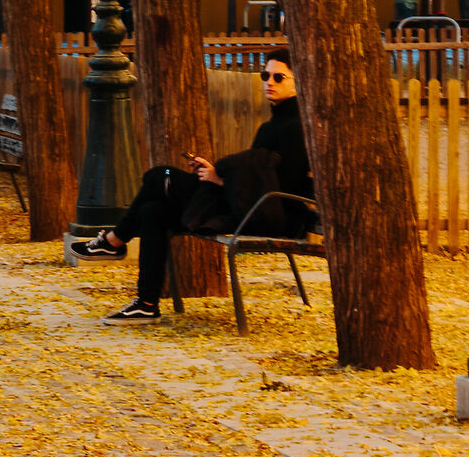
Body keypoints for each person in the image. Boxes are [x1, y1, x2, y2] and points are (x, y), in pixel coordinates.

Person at [70, 47, 314, 324]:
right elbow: (256, 174)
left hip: (264, 214)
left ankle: (114, 241)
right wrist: (216, 174)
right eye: (265, 75)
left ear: (298, 82)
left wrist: (220, 178)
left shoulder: (294, 127)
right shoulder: (272, 125)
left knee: (159, 176)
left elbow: (284, 185)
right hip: (240, 203)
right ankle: (146, 303)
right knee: (153, 211)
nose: (269, 82)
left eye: (279, 78)